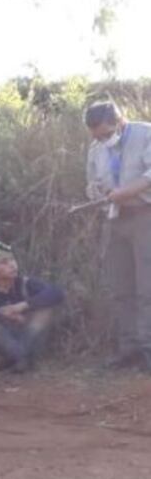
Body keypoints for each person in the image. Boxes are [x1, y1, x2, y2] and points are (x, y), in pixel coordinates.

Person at [84, 101, 151, 371]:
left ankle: (148, 350)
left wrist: (128, 192)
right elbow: (91, 181)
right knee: (121, 289)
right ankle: (129, 350)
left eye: (105, 133)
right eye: (96, 136)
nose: (102, 139)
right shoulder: (95, 148)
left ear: (120, 122)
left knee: (147, 287)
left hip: (144, 215)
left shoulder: (146, 133)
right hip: (114, 220)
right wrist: (96, 193)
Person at [0, 242, 64, 373]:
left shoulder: (25, 283)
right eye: (4, 262)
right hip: (0, 344)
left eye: (12, 259)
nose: (12, 265)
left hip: (25, 336)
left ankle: (18, 358)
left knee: (45, 311)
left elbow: (56, 292)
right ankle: (20, 357)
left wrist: (23, 306)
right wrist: (1, 313)